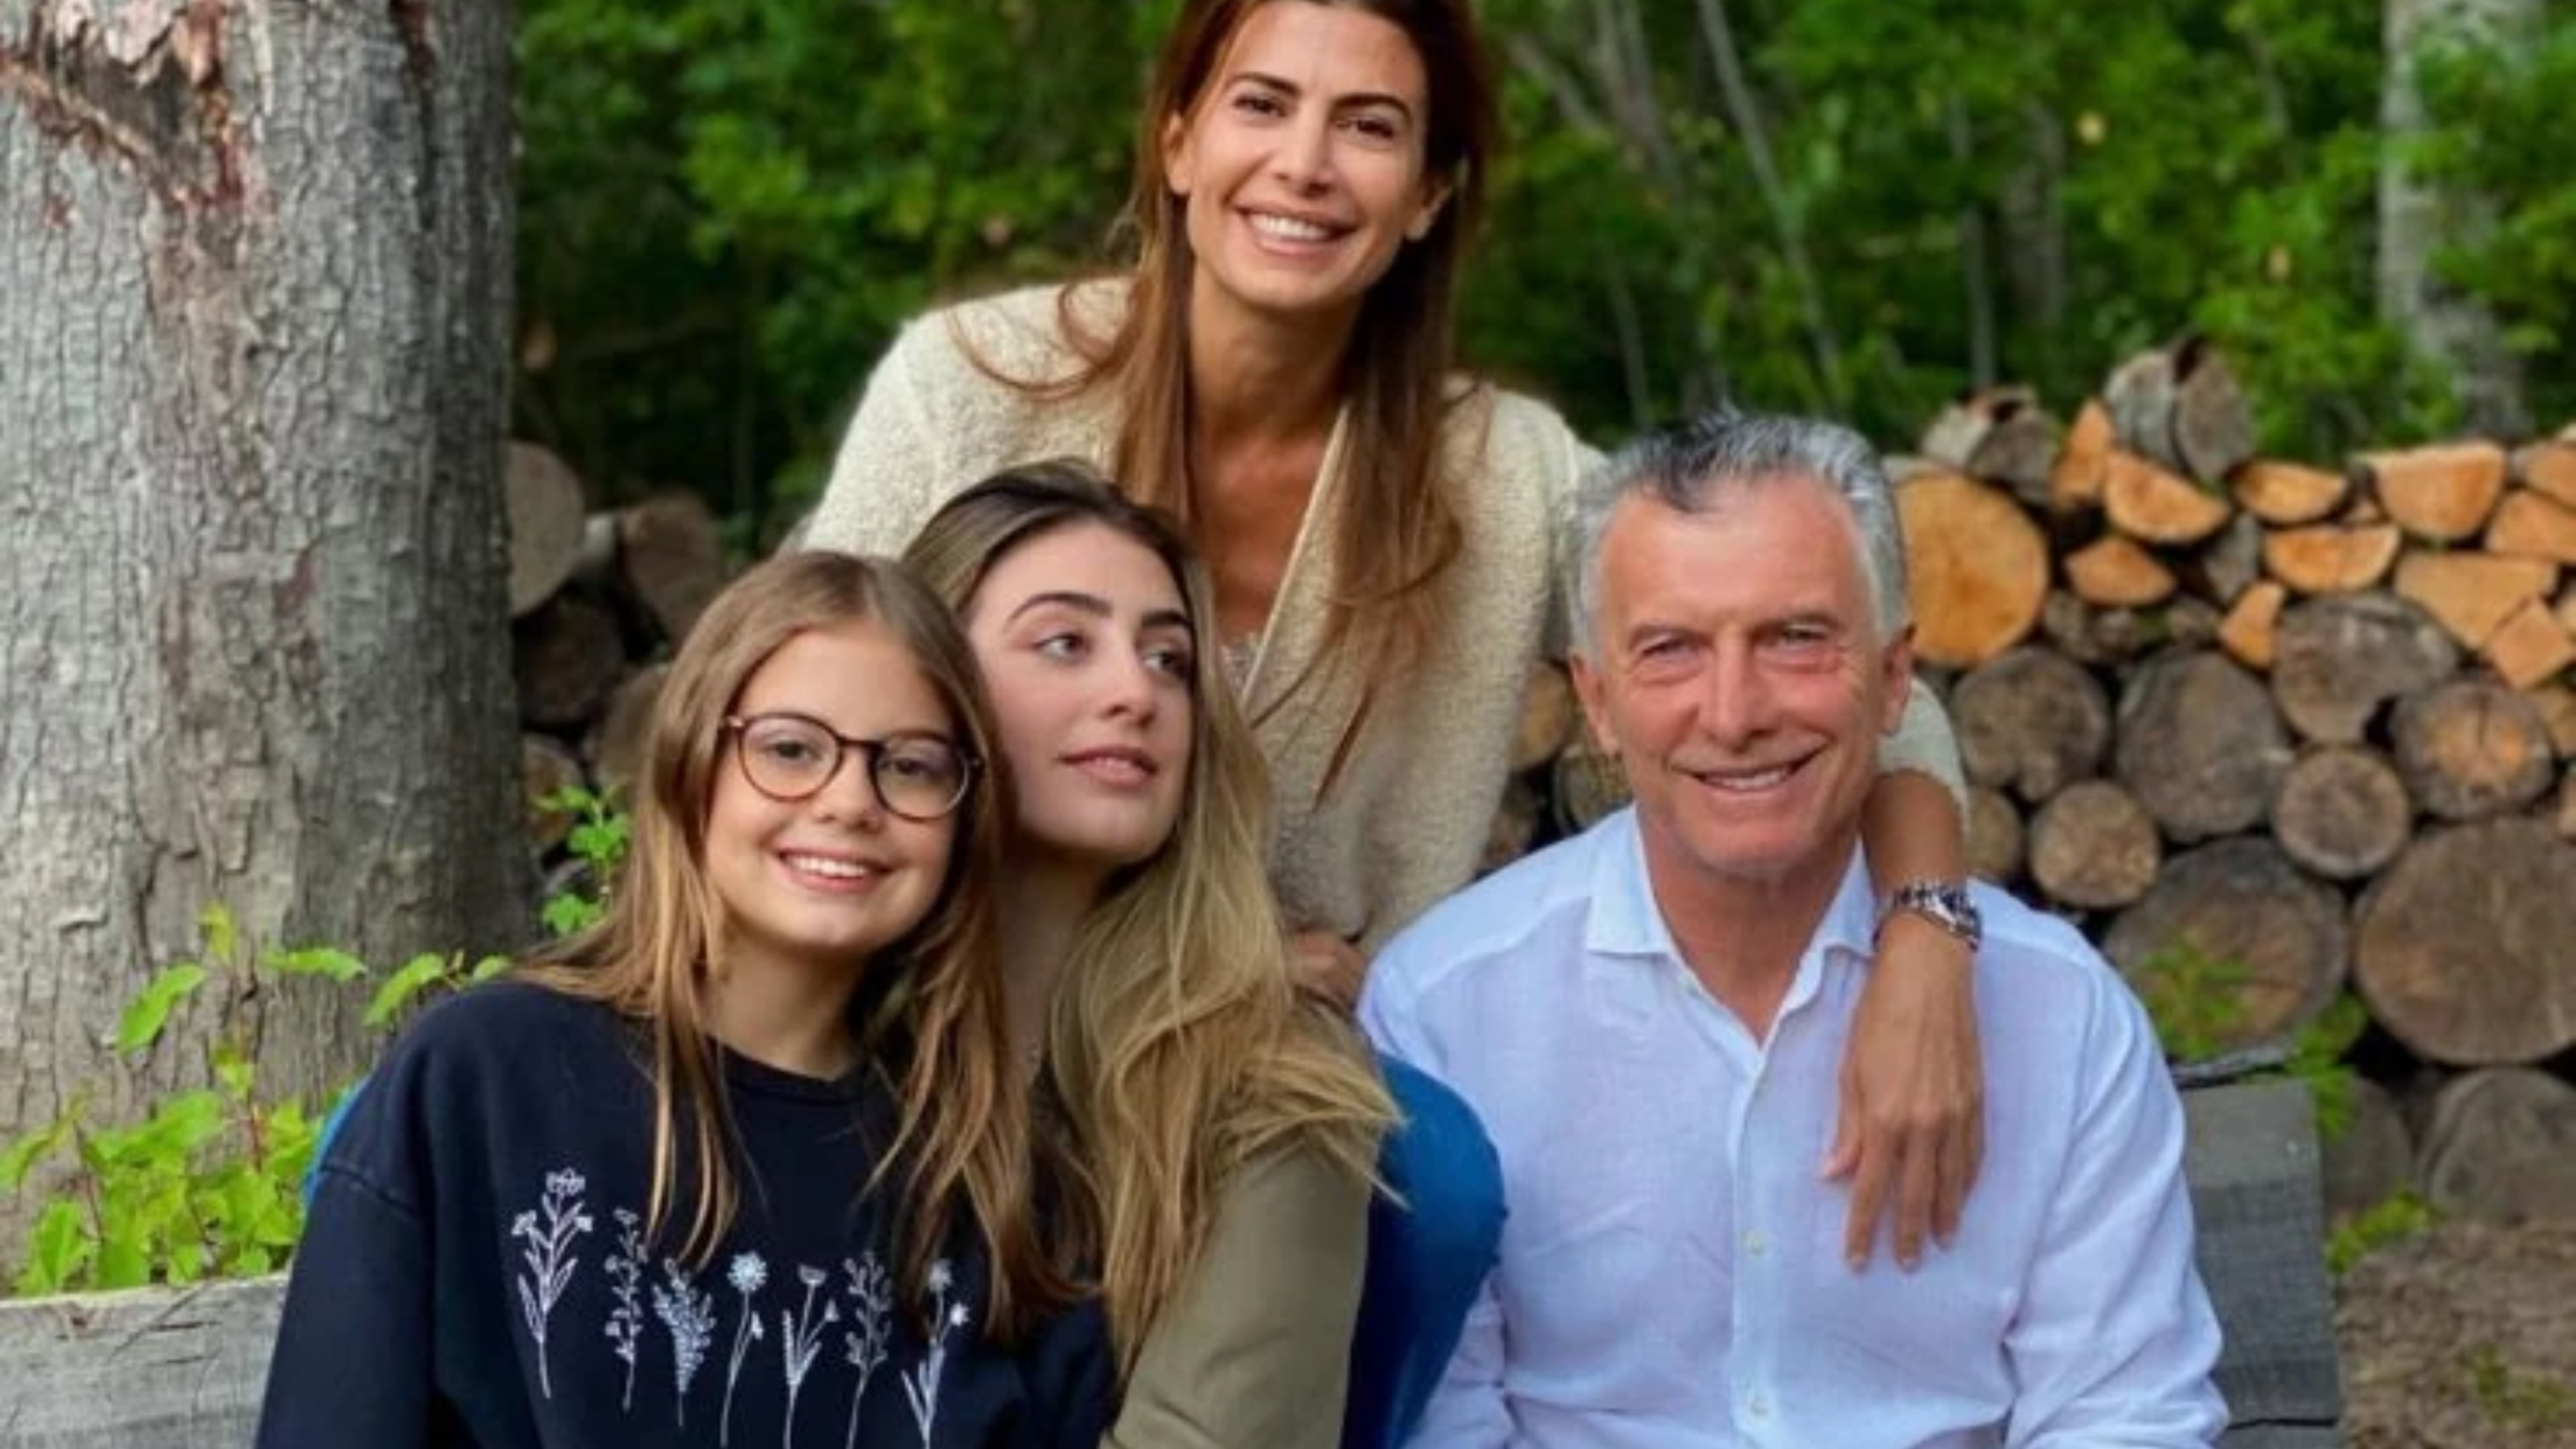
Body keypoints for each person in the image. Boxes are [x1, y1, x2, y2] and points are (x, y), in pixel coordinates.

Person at [808, 0, 1983, 1267]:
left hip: (1297, 1082)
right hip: (967, 1017)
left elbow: (1873, 700)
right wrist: (1205, 963)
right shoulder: (968, 389)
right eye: (1262, 105)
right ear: (1178, 140)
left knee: (1454, 1201)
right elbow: (792, 711)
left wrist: (1926, 933)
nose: (1306, 164)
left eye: (1368, 126)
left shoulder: (1501, 477)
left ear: (1427, 195)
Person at [1360, 411, 2226, 1446]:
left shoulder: (2061, 1018)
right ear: (1597, 700)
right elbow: (1443, 1423)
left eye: (1796, 639)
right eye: (1672, 650)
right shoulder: (1446, 1008)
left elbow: (2125, 1413)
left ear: (1896, 676)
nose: (1735, 713)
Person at [259, 553, 1112, 1448]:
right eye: (790, 749)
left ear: (962, 818)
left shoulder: (1003, 1191)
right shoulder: (485, 1085)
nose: (852, 800)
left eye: (912, 766)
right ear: (693, 763)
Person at [902, 462, 1474, 1449]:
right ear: (926, 686)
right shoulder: (812, 1024)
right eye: (1064, 643)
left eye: (1170, 660)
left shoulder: (1268, 1079)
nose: (1136, 692)